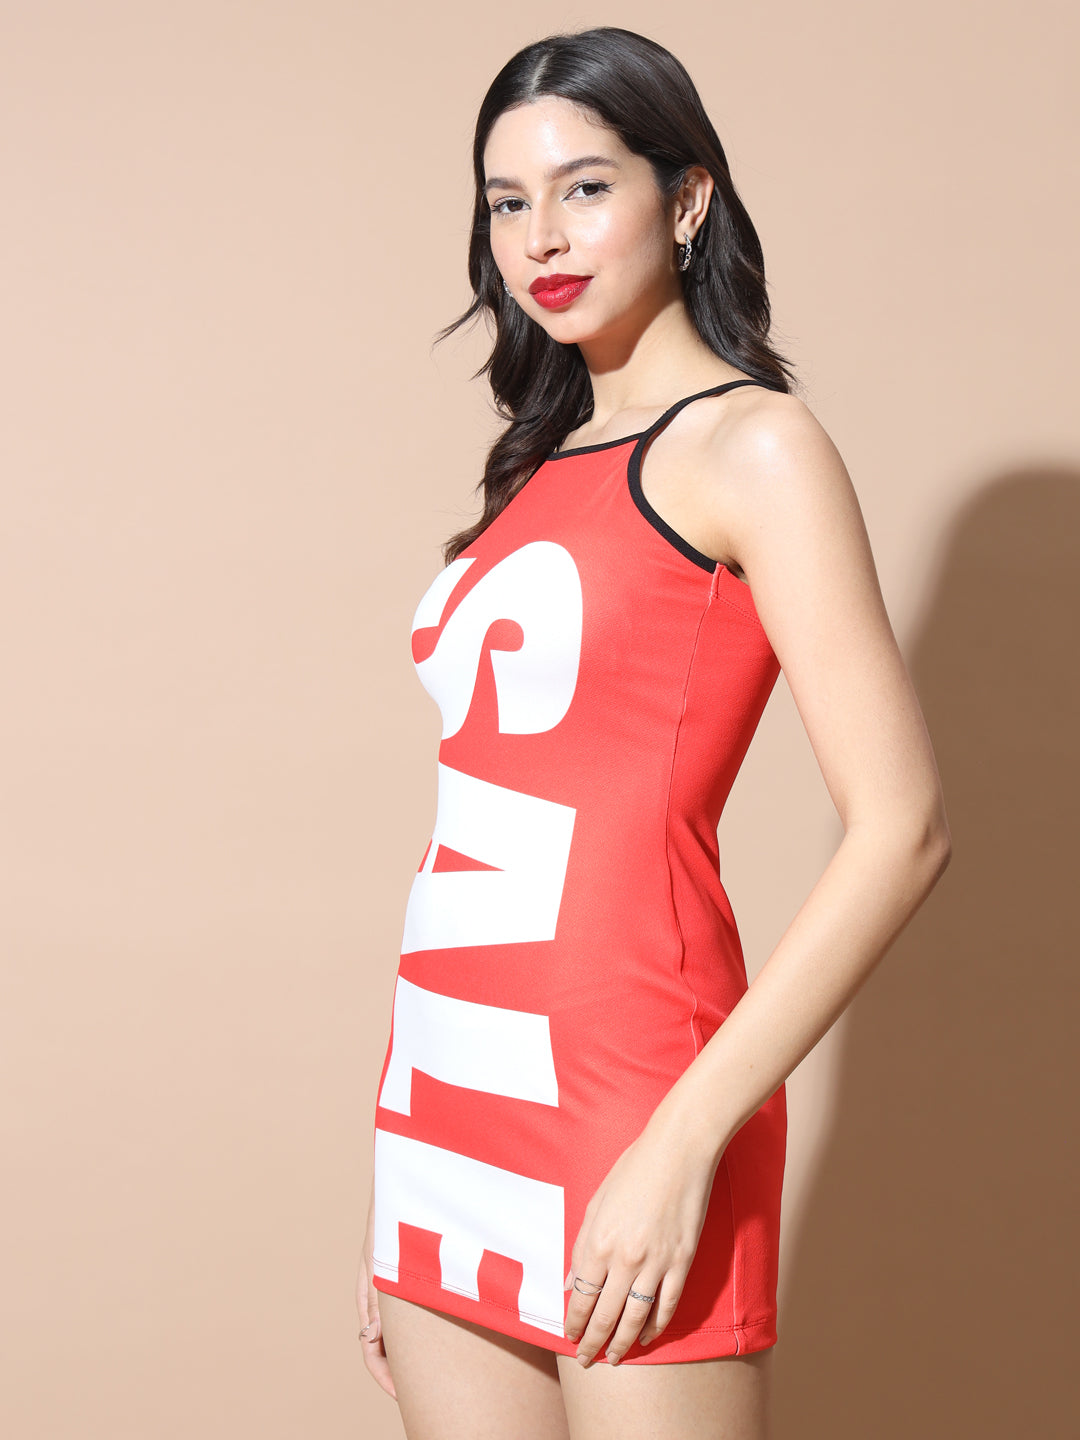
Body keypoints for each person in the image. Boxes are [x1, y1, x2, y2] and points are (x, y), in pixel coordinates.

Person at [356, 24, 952, 1440]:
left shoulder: (754, 447)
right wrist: (397, 1162)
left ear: (686, 200)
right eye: (508, 202)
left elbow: (904, 829)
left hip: (637, 1097)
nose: (541, 238)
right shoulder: (532, 468)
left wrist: (683, 1142)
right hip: (448, 1094)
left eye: (585, 187)